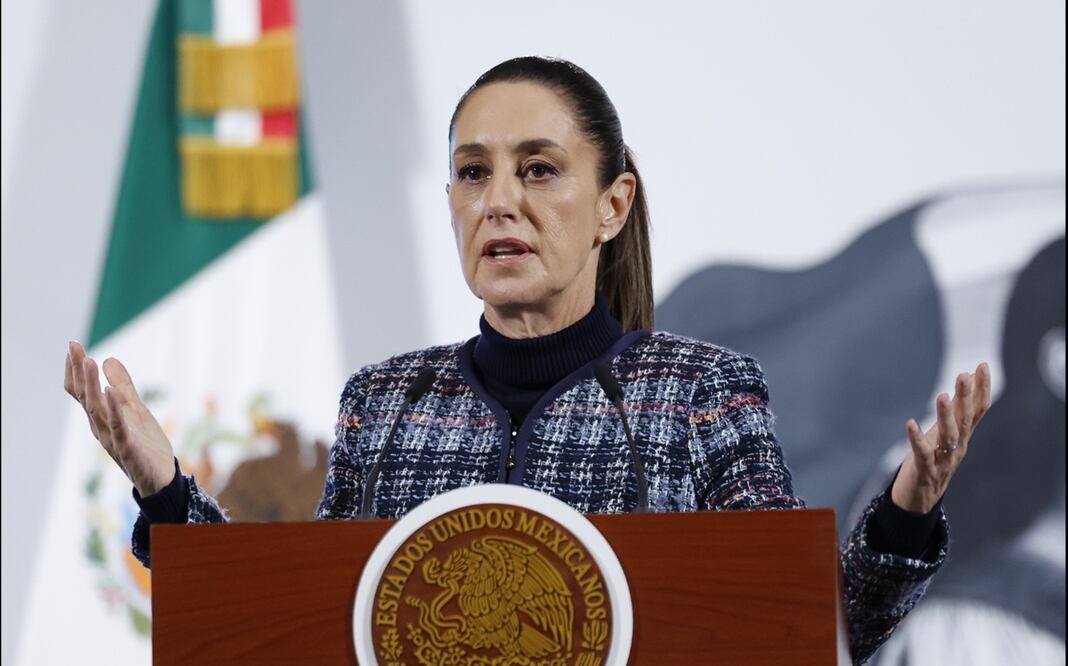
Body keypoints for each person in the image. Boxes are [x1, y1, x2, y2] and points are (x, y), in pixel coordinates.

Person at [64, 57, 991, 664]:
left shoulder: (699, 392)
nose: (499, 200)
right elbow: (307, 627)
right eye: (473, 172)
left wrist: (905, 516)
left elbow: (809, 628)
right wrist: (163, 489)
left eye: (538, 169)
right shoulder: (385, 402)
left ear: (612, 206)